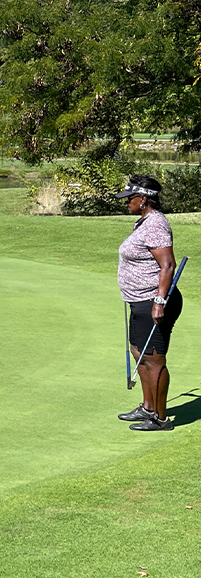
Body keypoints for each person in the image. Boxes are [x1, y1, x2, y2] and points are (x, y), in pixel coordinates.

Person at [115, 175, 182, 431]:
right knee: (138, 352)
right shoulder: (143, 222)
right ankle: (147, 407)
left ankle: (161, 419)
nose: (126, 203)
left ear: (143, 199)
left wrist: (159, 301)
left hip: (153, 301)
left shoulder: (155, 224)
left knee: (154, 359)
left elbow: (168, 265)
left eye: (130, 198)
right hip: (139, 300)